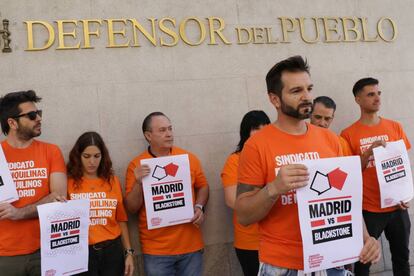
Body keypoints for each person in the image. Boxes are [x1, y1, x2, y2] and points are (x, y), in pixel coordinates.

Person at [235, 56, 381, 275]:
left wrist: (366, 237)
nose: (306, 97)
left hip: (332, 259)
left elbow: (345, 200)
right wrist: (273, 188)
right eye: (296, 91)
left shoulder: (330, 140)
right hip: (283, 265)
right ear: (275, 99)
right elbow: (244, 215)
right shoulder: (256, 145)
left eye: (309, 88)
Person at [124, 112, 209, 276]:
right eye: (162, 130)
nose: (169, 134)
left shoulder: (188, 158)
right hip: (157, 251)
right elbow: (131, 208)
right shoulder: (137, 165)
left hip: (191, 246)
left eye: (170, 129)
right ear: (148, 135)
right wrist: (138, 182)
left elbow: (203, 186)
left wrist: (199, 207)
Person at [341, 77, 411, 276]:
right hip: (368, 209)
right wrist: (368, 153)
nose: (377, 98)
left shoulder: (394, 126)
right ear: (358, 99)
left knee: (402, 257)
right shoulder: (348, 134)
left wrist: (405, 194)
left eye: (378, 93)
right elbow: (349, 174)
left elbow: (403, 165)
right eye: (371, 94)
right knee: (363, 263)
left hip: (397, 207)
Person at [0, 90, 67, 275]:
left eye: (39, 113)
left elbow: (59, 197)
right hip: (5, 255)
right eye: (31, 115)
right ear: (12, 123)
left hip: (44, 251)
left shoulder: (51, 151)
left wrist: (19, 212)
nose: (38, 118)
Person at [67, 131, 134, 276]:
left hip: (112, 251)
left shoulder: (112, 181)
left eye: (97, 156)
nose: (92, 162)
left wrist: (128, 252)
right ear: (78, 156)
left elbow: (121, 220)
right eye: (87, 156)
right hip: (82, 253)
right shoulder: (69, 183)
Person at [221, 110, 270, 276]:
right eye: (256, 128)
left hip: (279, 241)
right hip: (250, 243)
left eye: (266, 128)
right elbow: (231, 200)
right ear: (246, 132)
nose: (262, 133)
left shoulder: (274, 157)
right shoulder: (235, 160)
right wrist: (271, 192)